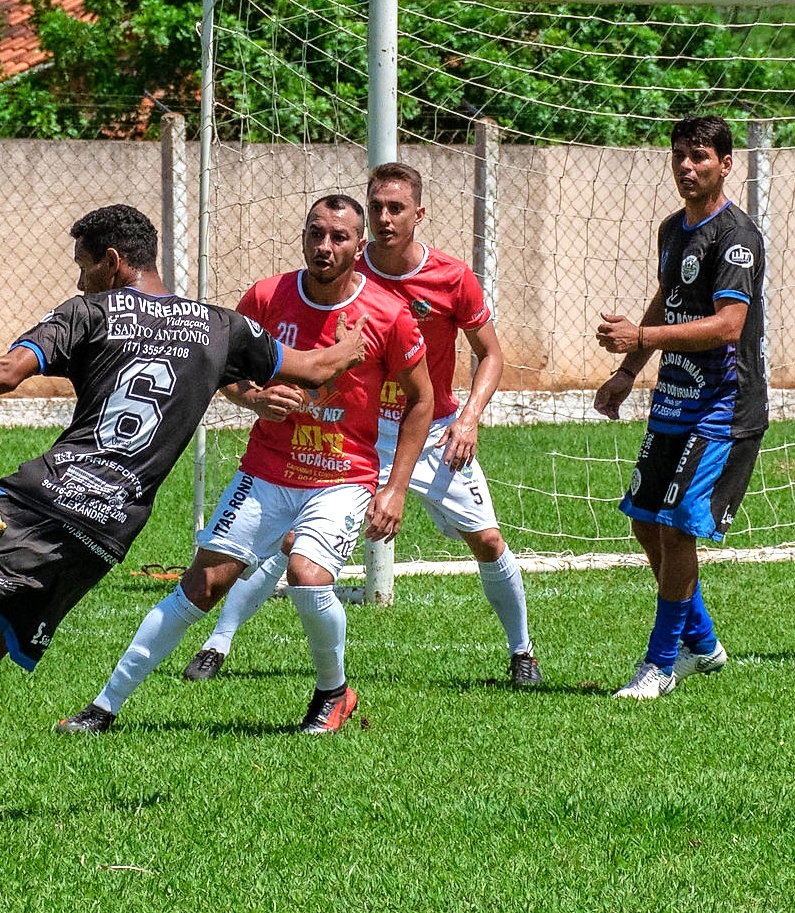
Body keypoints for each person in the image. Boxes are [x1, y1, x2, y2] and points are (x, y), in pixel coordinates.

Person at [0, 204, 368, 831]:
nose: (78, 282)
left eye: (83, 267)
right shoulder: (220, 327)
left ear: (113, 263)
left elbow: (7, 372)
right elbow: (315, 368)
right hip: (103, 533)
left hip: (41, 495)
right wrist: (352, 344)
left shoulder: (90, 313)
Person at [58, 194, 433, 737]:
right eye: (315, 233)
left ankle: (332, 694)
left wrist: (395, 488)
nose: (324, 246)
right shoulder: (266, 296)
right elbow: (221, 370)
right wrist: (253, 399)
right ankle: (105, 706)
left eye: (339, 237)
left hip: (342, 477)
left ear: (360, 245)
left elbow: (422, 400)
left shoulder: (388, 314)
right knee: (200, 586)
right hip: (266, 470)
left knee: (307, 575)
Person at [182, 161, 541, 687]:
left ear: (419, 214)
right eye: (376, 207)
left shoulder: (452, 276)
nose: (385, 218)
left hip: (432, 428)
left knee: (487, 540)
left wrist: (469, 418)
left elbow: (491, 354)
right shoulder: (344, 271)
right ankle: (218, 643)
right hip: (353, 434)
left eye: (396, 208)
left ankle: (522, 651)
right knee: (290, 544)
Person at [593, 115, 768, 699]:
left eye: (699, 157)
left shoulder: (736, 237)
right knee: (646, 522)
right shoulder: (672, 229)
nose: (687, 167)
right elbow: (666, 300)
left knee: (676, 530)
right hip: (674, 396)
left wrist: (639, 341)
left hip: (724, 406)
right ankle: (704, 643)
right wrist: (625, 374)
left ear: (725, 164)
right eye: (679, 157)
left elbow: (728, 325)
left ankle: (660, 664)